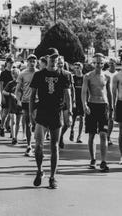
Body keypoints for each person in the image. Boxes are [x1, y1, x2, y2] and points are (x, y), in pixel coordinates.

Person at [30, 48, 72, 189]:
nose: (54, 60)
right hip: (42, 112)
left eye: (56, 57)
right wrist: (31, 114)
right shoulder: (39, 75)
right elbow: (32, 95)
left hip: (56, 112)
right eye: (51, 57)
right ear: (46, 58)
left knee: (54, 146)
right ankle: (40, 170)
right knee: (38, 146)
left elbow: (68, 96)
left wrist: (69, 113)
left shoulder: (64, 75)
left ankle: (53, 177)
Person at [81, 53, 112, 172]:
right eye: (96, 63)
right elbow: (83, 92)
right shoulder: (88, 76)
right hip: (92, 105)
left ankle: (103, 161)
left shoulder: (107, 77)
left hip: (103, 106)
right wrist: (84, 105)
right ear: (93, 63)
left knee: (103, 134)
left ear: (103, 64)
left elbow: (109, 93)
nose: (98, 65)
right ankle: (93, 158)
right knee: (92, 134)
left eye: (100, 63)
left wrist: (111, 107)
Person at [15, 54, 38, 156]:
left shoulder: (39, 73)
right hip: (26, 101)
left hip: (38, 101)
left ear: (36, 62)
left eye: (34, 61)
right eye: (30, 61)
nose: (32, 63)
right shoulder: (23, 74)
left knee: (37, 123)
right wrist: (18, 99)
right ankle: (29, 146)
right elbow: (18, 89)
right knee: (28, 123)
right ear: (27, 62)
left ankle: (38, 145)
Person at [57, 56, 74, 149]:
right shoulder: (53, 74)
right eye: (58, 63)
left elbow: (71, 90)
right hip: (57, 103)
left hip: (66, 101)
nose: (60, 64)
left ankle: (61, 135)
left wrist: (72, 102)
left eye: (61, 63)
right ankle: (58, 139)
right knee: (60, 123)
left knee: (68, 123)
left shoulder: (68, 74)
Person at [3, 68, 23, 145]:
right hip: (12, 105)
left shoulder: (22, 83)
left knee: (18, 122)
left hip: (20, 104)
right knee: (13, 121)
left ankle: (16, 137)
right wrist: (10, 94)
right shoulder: (10, 83)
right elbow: (4, 91)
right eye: (13, 73)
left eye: (16, 73)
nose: (14, 75)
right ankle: (14, 137)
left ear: (19, 74)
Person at [105, 57, 118, 146]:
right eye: (110, 63)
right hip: (105, 99)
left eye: (113, 62)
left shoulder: (118, 74)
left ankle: (108, 137)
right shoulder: (105, 73)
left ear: (116, 63)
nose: (111, 64)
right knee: (105, 119)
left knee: (111, 119)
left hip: (116, 99)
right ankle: (104, 136)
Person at [0, 57, 14, 137]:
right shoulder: (3, 73)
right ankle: (1, 127)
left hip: (12, 95)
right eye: (10, 62)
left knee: (11, 113)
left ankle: (8, 126)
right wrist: (2, 96)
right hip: (5, 94)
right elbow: (1, 85)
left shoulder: (14, 72)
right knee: (5, 113)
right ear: (7, 63)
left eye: (12, 62)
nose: (11, 64)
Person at [70, 62, 84, 143]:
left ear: (81, 68)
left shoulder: (85, 78)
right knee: (73, 118)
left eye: (77, 68)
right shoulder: (73, 78)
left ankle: (79, 136)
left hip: (82, 100)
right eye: (75, 68)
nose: (76, 70)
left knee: (82, 118)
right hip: (74, 100)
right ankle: (72, 130)